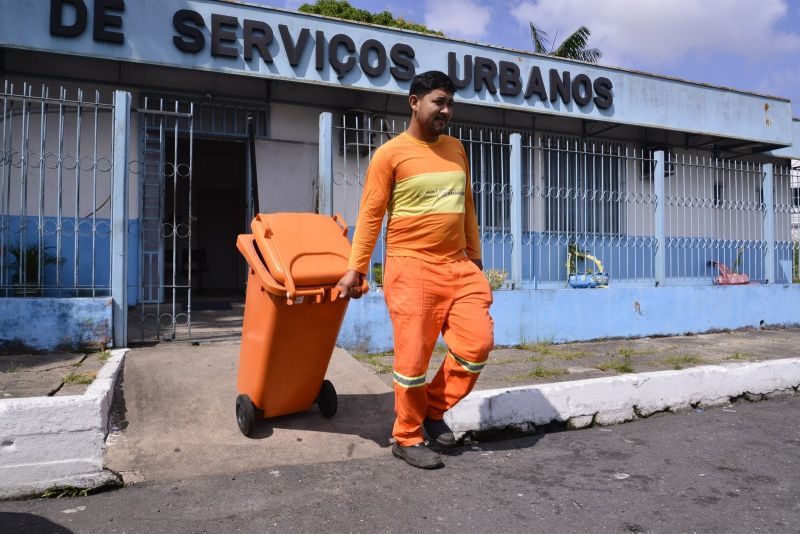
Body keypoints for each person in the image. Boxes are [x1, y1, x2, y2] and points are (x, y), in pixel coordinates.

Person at [336, 71, 494, 469]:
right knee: (412, 361)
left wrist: (474, 256)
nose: (446, 110)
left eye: (450, 104)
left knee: (476, 345)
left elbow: (467, 207)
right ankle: (405, 436)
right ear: (414, 102)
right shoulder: (390, 154)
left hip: (459, 265)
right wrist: (357, 267)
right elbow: (371, 215)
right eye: (439, 102)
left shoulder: (457, 149)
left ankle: (432, 409)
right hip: (411, 267)